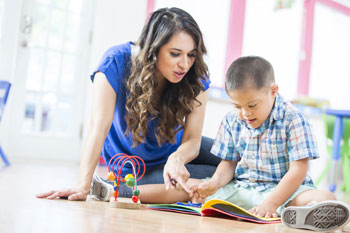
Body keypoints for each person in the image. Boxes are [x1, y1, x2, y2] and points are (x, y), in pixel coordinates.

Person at [119, 56, 349, 232]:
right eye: (237, 106)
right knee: (191, 187)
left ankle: (301, 214)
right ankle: (124, 191)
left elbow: (298, 171)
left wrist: (271, 202)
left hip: (285, 191)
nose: (244, 113)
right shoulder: (232, 119)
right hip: (243, 188)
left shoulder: (294, 118)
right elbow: (227, 164)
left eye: (252, 105)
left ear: (273, 91)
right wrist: (214, 184)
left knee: (324, 198)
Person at [36, 7, 220, 201]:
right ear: (153, 50)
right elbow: (98, 127)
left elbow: (192, 139)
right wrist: (83, 185)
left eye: (191, 54)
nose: (185, 64)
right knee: (212, 182)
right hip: (137, 168)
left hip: (177, 152)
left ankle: (230, 184)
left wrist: (177, 159)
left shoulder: (195, 76)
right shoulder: (115, 61)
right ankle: (118, 189)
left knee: (237, 161)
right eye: (175, 54)